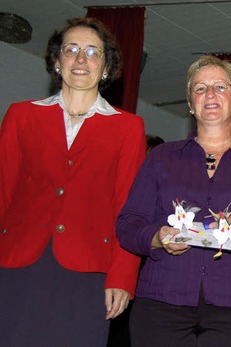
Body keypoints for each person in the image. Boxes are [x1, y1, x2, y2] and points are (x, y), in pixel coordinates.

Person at [116, 55, 231, 347]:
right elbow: (128, 224)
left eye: (220, 87)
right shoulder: (161, 157)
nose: (209, 94)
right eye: (200, 88)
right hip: (161, 303)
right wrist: (157, 237)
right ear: (190, 103)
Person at [0, 17, 146, 347]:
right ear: (56, 61)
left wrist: (122, 276)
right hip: (16, 262)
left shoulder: (128, 128)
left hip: (88, 270)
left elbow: (128, 208)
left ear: (106, 67)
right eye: (72, 49)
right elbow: (2, 191)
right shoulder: (21, 116)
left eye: (93, 51)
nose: (81, 59)